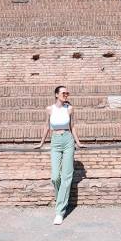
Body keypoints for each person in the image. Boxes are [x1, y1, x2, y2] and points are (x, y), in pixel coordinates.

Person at [35, 85, 81, 224]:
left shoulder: (70, 109)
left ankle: (59, 212)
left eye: (67, 92)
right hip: (55, 141)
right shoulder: (49, 109)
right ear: (56, 95)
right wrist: (41, 143)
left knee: (66, 176)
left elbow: (72, 126)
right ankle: (61, 200)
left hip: (68, 140)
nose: (66, 95)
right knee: (55, 177)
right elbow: (47, 126)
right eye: (63, 93)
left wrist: (78, 142)